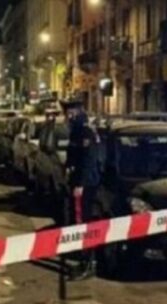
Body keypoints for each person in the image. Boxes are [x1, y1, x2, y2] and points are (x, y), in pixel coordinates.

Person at [61, 97, 102, 279]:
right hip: (78, 181)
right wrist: (67, 167)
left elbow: (88, 160)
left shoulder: (85, 131)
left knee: (83, 224)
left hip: (85, 185)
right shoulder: (76, 130)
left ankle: (88, 263)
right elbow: (73, 155)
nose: (67, 116)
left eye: (69, 113)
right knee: (77, 222)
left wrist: (80, 184)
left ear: (76, 112)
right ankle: (82, 259)